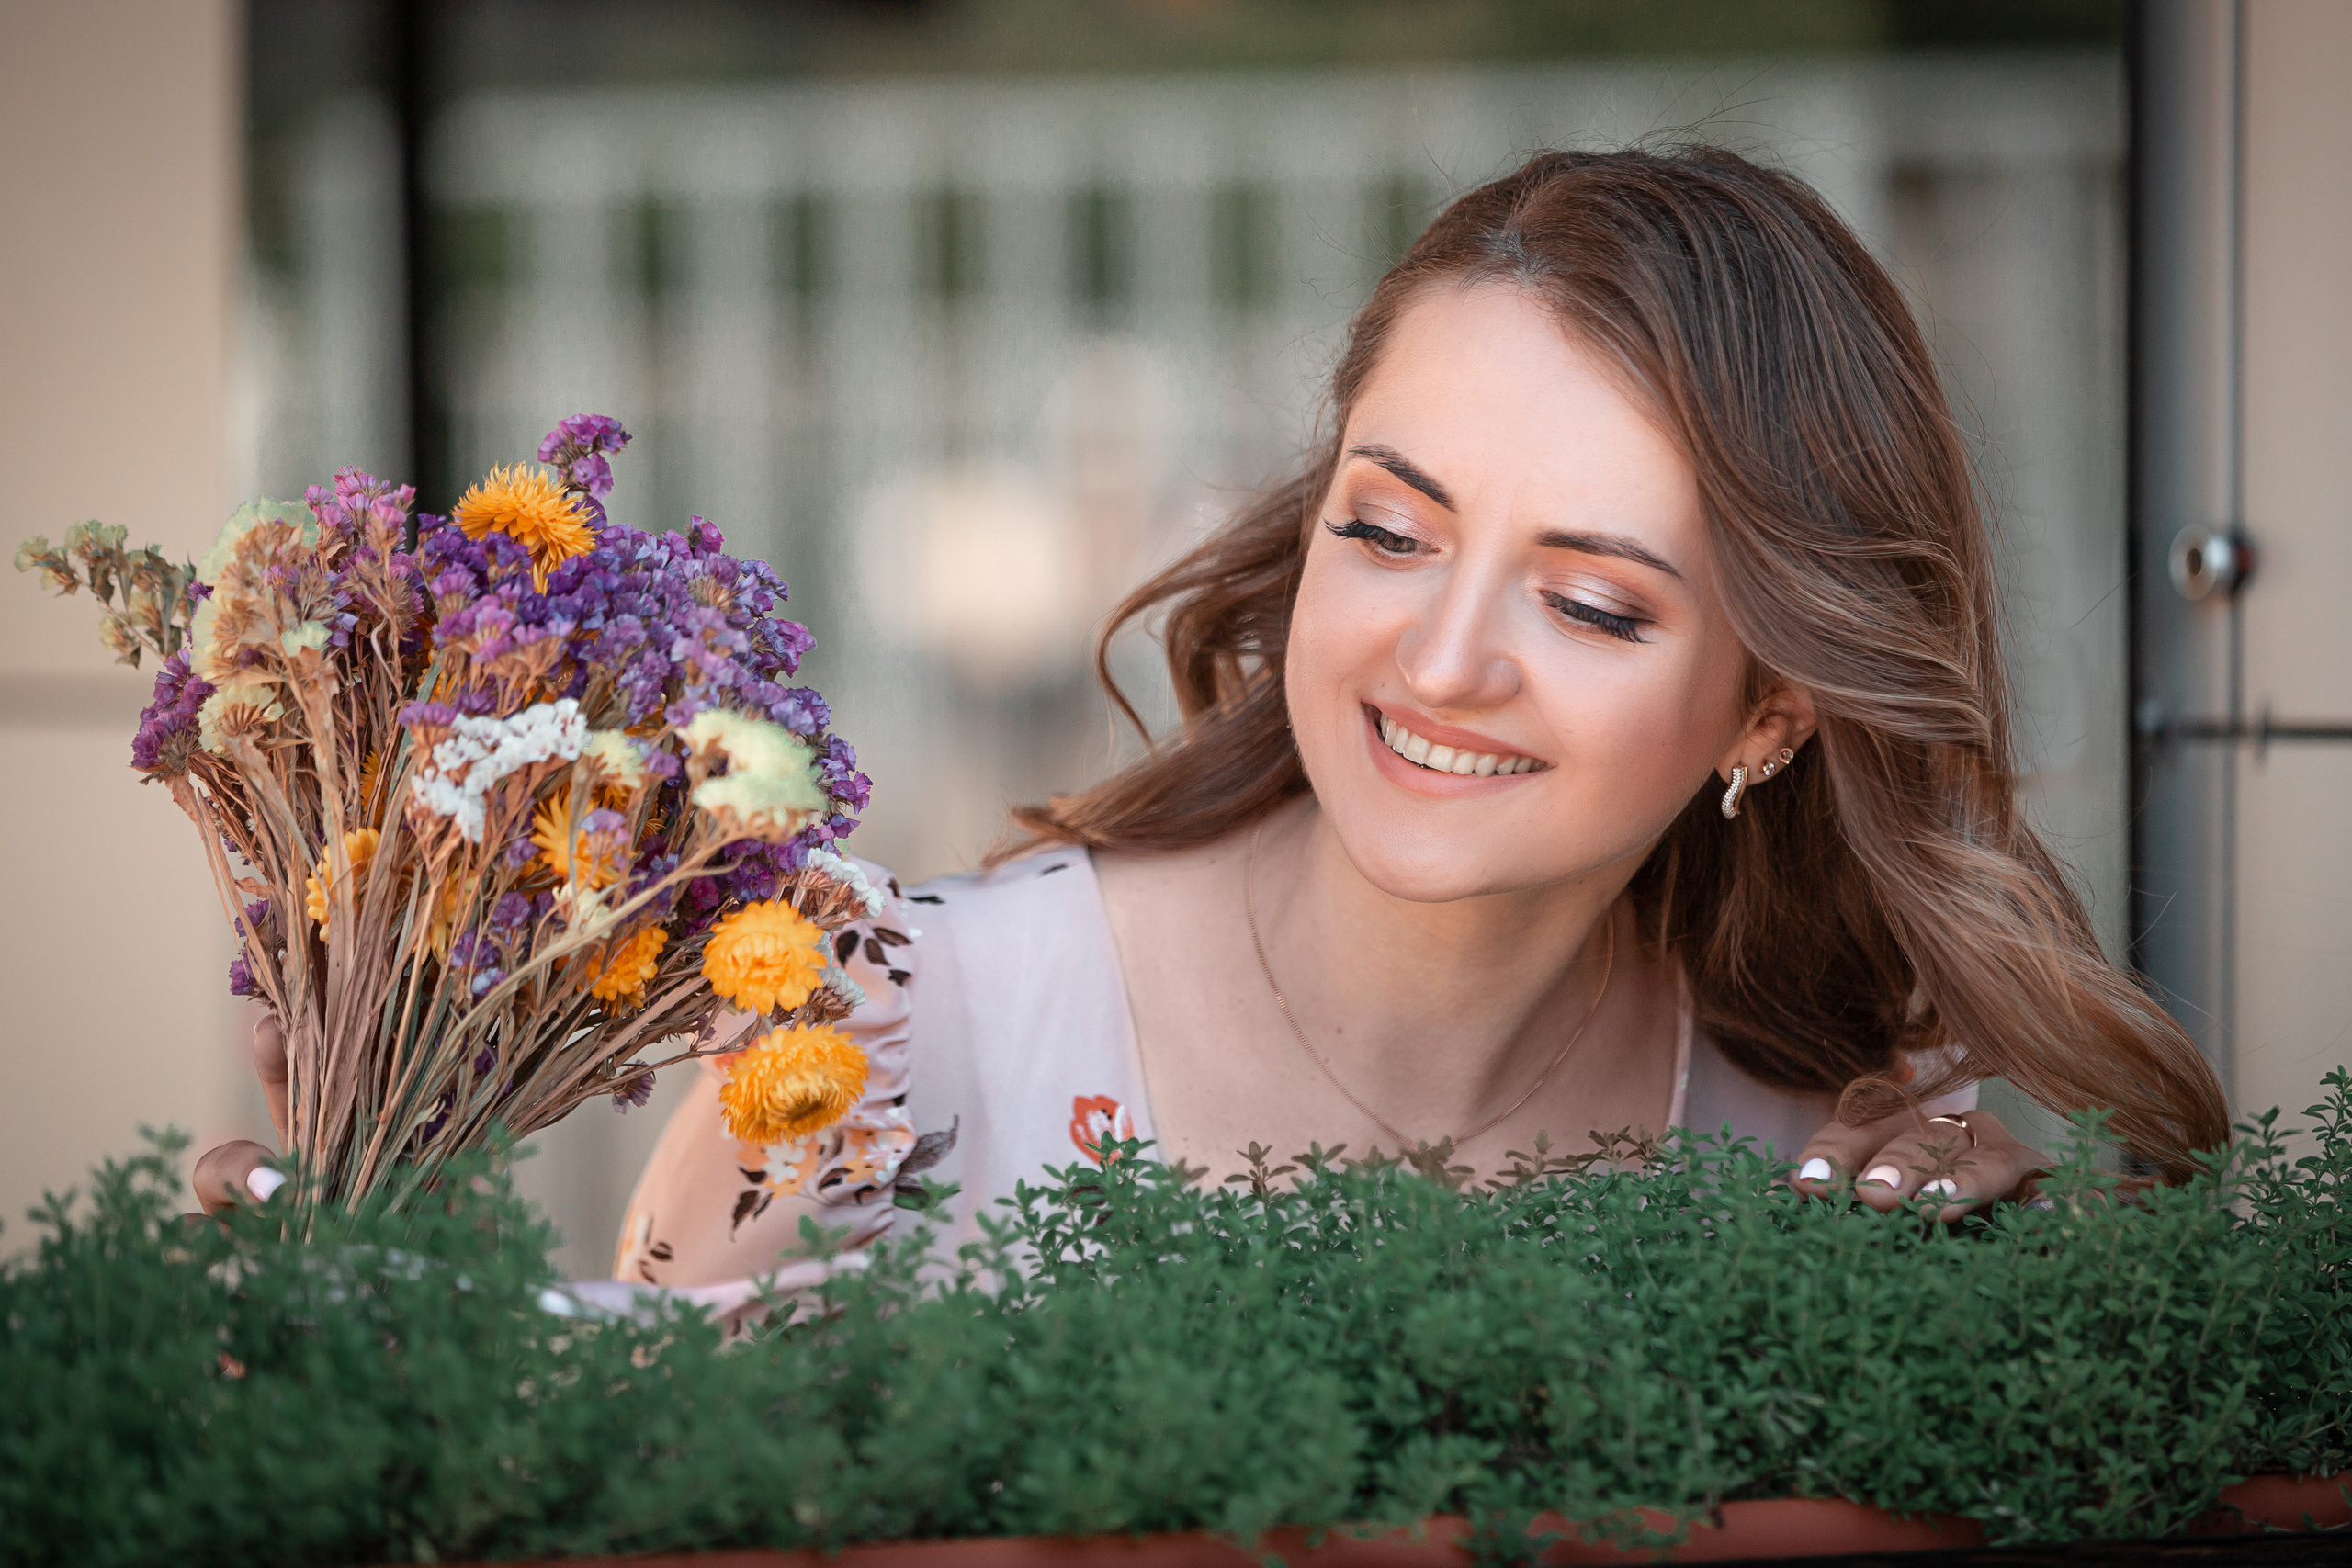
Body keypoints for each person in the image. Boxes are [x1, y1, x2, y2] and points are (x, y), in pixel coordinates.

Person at [199, 148, 2229, 1311]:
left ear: (1775, 702)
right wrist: (339, 1283)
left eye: (1591, 597)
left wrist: (1952, 1322)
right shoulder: (892, 1031)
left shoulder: (1815, 1141)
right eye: (1386, 530)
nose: (1442, 657)